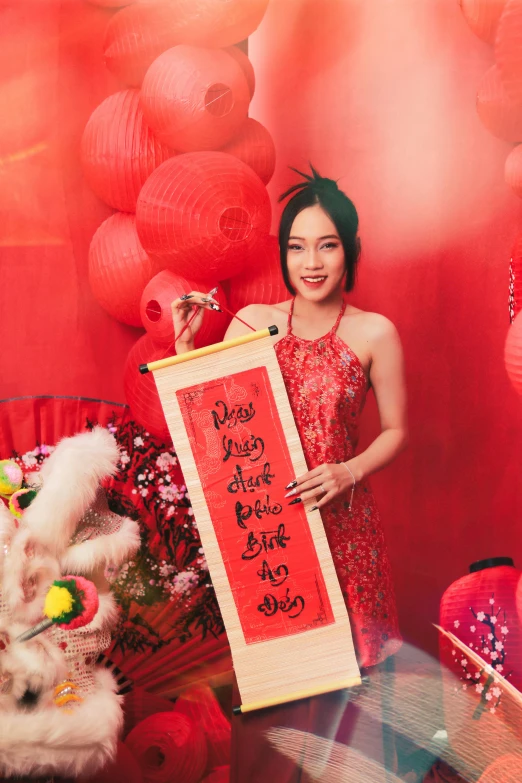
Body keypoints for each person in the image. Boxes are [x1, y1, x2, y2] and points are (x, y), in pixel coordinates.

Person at [172, 166, 408, 781]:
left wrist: (348, 471)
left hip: (347, 537)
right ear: (282, 253)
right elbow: (216, 426)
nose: (311, 262)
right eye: (297, 246)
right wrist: (184, 353)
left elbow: (397, 431)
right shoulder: (252, 321)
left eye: (327, 245)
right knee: (276, 695)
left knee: (351, 700)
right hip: (269, 537)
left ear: (350, 251)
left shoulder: (374, 332)